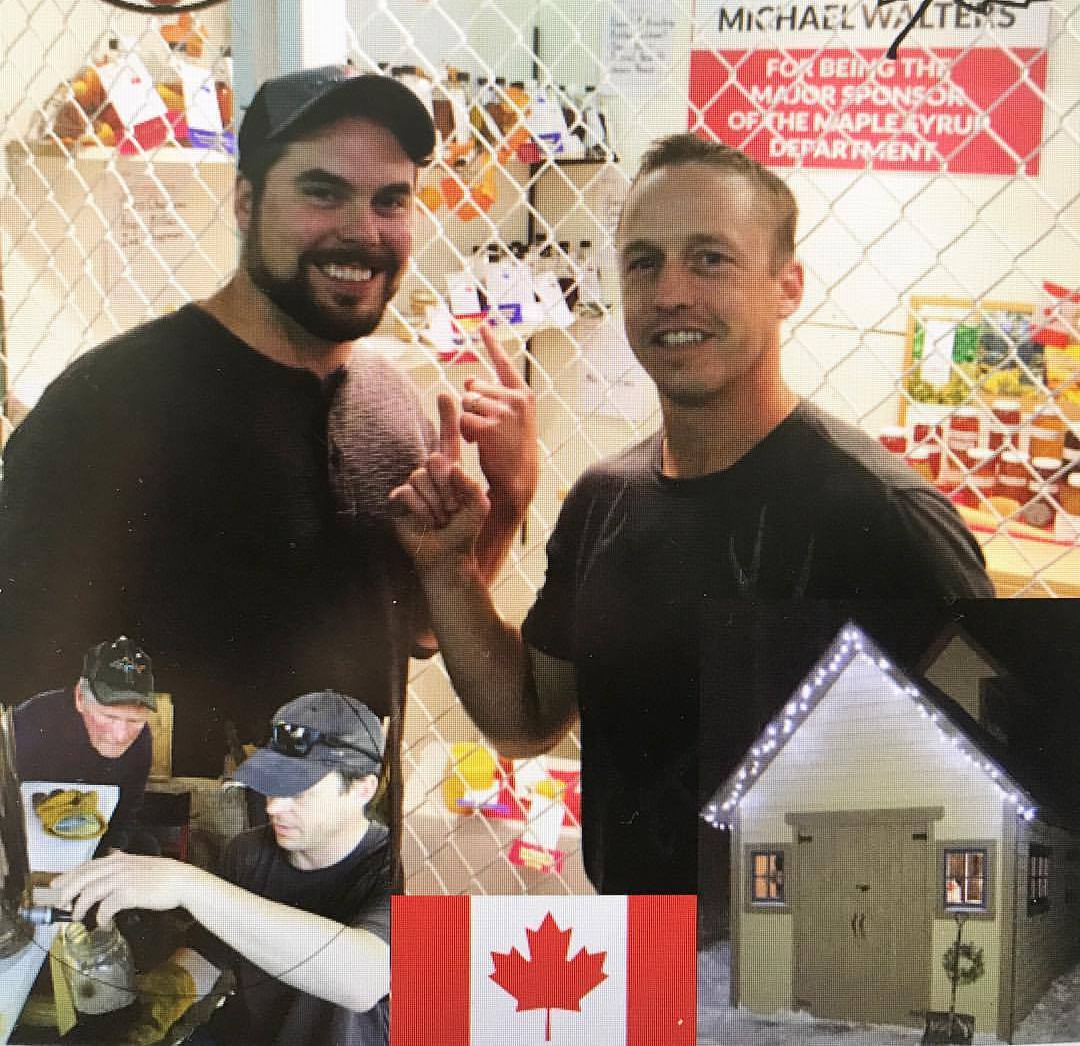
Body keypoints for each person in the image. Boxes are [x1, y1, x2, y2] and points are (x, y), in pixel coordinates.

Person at [390, 133, 995, 895]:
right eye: (645, 261)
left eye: (710, 257)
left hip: (818, 985)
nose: (672, 290)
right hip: (637, 956)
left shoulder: (886, 520)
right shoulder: (605, 500)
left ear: (787, 285)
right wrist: (448, 569)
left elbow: (993, 807)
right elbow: (527, 715)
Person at [0, 66, 538, 799]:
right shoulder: (107, 408)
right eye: (323, 192)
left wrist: (507, 499)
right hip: (157, 899)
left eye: (391, 200)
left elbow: (416, 632)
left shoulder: (395, 407)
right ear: (246, 202)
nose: (363, 231)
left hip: (352, 898)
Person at [53, 690, 393, 1046]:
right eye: (272, 784)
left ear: (362, 789)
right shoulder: (248, 852)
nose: (274, 807)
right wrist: (161, 1000)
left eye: (299, 791)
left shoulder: (412, 875)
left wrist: (187, 883)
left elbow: (365, 980)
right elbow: (208, 952)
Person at [14, 634, 155, 854]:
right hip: (26, 839)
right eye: (109, 717)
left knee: (147, 848)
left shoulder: (142, 738)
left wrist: (112, 855)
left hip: (95, 837)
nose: (120, 736)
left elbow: (127, 813)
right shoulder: (28, 722)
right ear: (80, 697)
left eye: (134, 720)